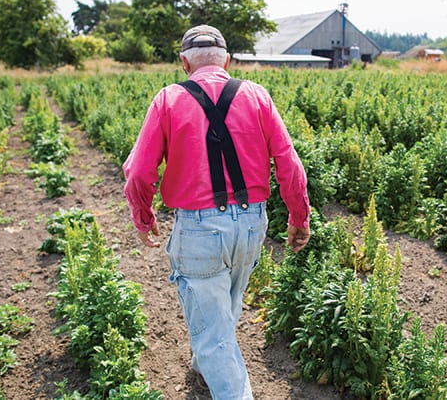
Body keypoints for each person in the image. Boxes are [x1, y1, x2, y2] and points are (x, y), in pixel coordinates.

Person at [122, 24, 311, 399]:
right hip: (252, 222)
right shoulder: (257, 95)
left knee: (213, 326)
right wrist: (299, 218)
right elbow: (289, 163)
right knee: (226, 305)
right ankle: (205, 366)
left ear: (183, 63)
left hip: (199, 228)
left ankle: (227, 384)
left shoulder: (168, 99)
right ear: (227, 59)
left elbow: (139, 171)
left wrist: (143, 216)